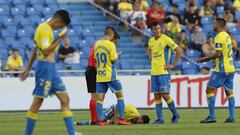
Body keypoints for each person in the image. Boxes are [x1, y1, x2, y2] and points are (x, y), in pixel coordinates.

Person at [20, 10, 75, 134]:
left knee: (65, 99)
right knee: (37, 103)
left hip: (51, 68)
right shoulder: (44, 29)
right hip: (44, 68)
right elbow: (45, 51)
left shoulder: (47, 29)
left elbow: (35, 49)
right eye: (61, 26)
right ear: (58, 20)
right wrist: (60, 39)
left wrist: (28, 68)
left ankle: (72, 133)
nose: (59, 28)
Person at [196, 18, 235, 123]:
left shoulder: (218, 36)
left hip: (222, 69)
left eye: (214, 23)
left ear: (218, 24)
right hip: (231, 68)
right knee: (229, 92)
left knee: (209, 90)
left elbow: (217, 54)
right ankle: (231, 117)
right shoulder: (227, 35)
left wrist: (203, 59)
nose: (213, 25)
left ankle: (212, 117)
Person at [94, 26, 129, 126]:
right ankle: (121, 119)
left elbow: (96, 60)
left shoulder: (97, 44)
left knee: (99, 100)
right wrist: (117, 55)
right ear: (112, 35)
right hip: (110, 75)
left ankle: (101, 121)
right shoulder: (111, 45)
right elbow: (113, 60)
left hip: (100, 75)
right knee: (120, 96)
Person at [148, 22, 182, 124]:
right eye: (155, 29)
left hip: (163, 72)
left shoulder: (166, 39)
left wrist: (173, 64)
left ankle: (176, 114)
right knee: (157, 96)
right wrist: (151, 58)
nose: (157, 30)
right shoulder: (150, 41)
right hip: (154, 72)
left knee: (165, 95)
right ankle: (160, 118)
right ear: (152, 30)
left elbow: (179, 50)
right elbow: (149, 50)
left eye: (159, 28)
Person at [85, 31, 121, 125]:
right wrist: (116, 56)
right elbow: (106, 60)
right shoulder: (106, 45)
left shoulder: (98, 43)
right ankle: (95, 120)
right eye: (115, 42)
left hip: (91, 69)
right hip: (95, 70)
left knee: (95, 97)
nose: (115, 44)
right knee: (96, 97)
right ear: (112, 38)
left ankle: (95, 119)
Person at [75, 104, 150, 125]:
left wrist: (112, 121)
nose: (137, 123)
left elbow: (119, 121)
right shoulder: (131, 111)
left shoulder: (133, 121)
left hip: (116, 116)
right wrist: (115, 118)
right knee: (99, 121)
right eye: (139, 122)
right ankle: (77, 123)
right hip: (114, 109)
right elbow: (118, 106)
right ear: (141, 116)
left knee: (97, 123)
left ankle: (77, 123)